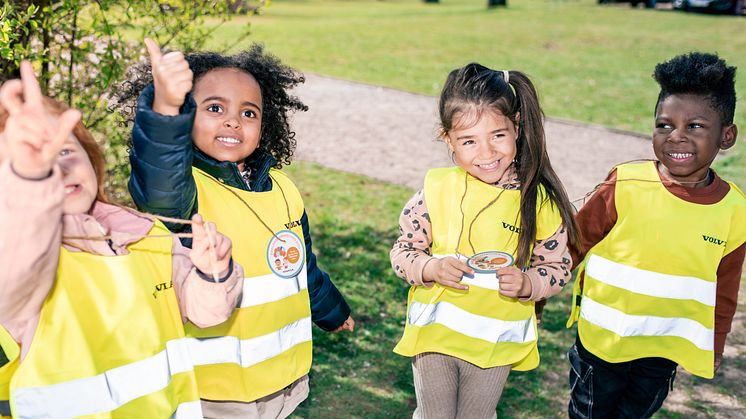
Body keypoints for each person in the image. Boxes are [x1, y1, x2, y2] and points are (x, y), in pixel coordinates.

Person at [125, 39, 354, 418]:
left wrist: (330, 310)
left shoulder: (283, 189)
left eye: (249, 113)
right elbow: (159, 180)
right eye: (215, 108)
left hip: (284, 378)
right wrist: (165, 108)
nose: (233, 121)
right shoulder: (186, 192)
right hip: (217, 391)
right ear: (186, 114)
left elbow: (300, 267)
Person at [0, 61, 243, 418]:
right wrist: (31, 181)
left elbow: (205, 313)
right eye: (37, 161)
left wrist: (211, 273)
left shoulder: (144, 234)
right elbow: (18, 268)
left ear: (91, 159)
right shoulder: (23, 258)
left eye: (65, 151)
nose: (59, 167)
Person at [391, 63, 580, 418]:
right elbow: (403, 252)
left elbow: (557, 268)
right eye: (468, 141)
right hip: (435, 332)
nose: (486, 153)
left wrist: (528, 283)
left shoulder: (538, 202)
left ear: (517, 127)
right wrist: (429, 267)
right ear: (447, 140)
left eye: (497, 135)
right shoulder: (436, 189)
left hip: (496, 338)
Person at [566, 52, 746, 419]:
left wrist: (716, 340)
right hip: (603, 342)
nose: (676, 136)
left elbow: (725, 287)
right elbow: (572, 244)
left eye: (695, 126)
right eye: (664, 125)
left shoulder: (735, 211)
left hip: (665, 348)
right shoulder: (625, 184)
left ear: (726, 136)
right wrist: (536, 291)